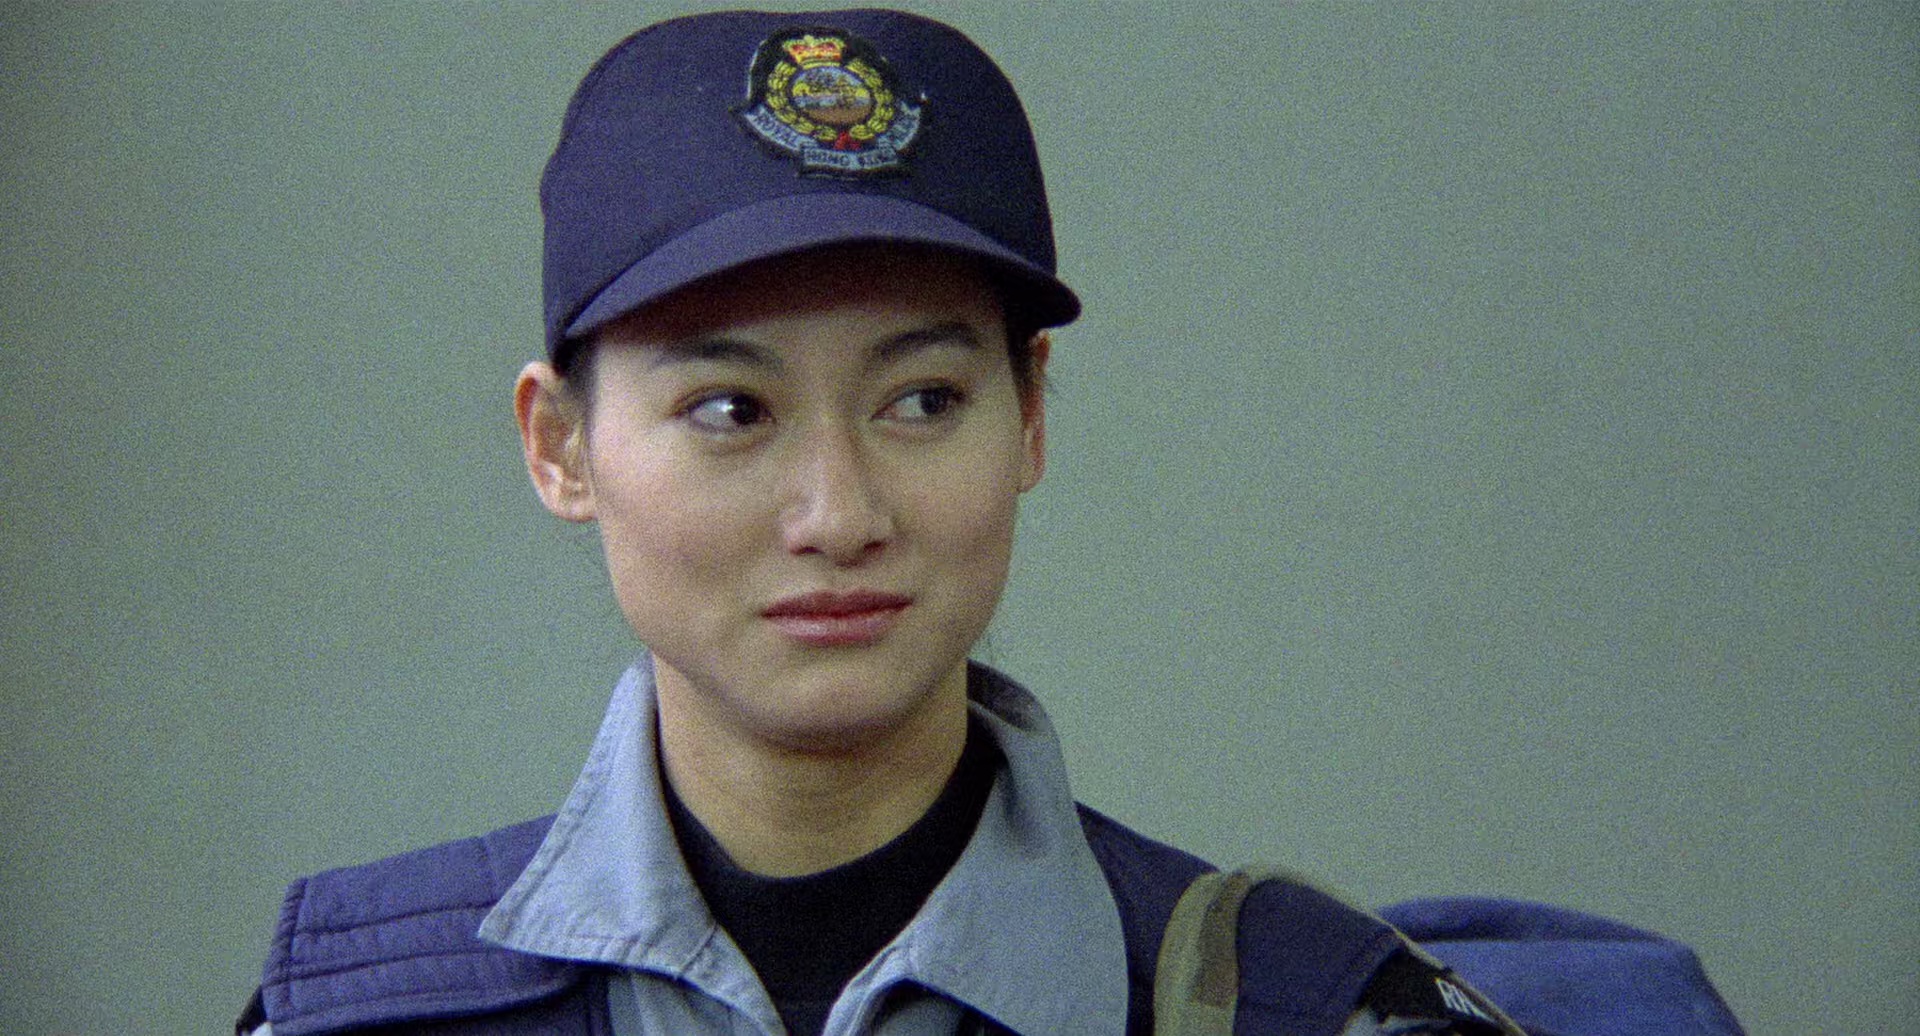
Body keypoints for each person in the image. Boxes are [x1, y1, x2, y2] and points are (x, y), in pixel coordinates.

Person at [238, 10, 1744, 1036]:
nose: (838, 515)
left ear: (1028, 418)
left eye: (921, 401)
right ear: (559, 446)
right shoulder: (357, 1016)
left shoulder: (1293, 1007)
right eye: (731, 410)